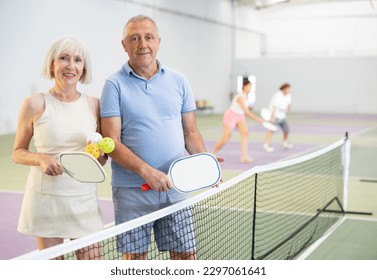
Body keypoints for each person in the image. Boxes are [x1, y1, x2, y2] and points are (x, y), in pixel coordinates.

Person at [100, 15, 221, 260]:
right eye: (134, 38)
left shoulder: (179, 81)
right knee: (135, 264)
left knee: (186, 258)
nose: (142, 43)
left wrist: (204, 163)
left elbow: (191, 132)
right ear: (124, 45)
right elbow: (111, 142)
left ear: (158, 42)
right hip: (131, 191)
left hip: (176, 188)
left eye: (148, 37)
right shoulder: (113, 85)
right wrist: (146, 172)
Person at [13, 36, 106, 260]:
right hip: (46, 201)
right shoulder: (35, 103)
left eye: (77, 60)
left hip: (83, 200)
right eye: (63, 58)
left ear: (84, 69)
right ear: (52, 64)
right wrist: (40, 159)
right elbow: (18, 152)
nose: (70, 66)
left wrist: (100, 155)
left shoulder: (94, 105)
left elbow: (100, 161)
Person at [212, 78, 263, 163]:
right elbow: (246, 112)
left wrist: (250, 107)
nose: (250, 88)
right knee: (226, 138)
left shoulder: (245, 96)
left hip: (240, 116)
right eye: (249, 86)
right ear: (244, 87)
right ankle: (213, 153)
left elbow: (244, 107)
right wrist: (258, 119)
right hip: (231, 115)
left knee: (245, 133)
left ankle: (244, 156)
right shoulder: (241, 97)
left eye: (251, 86)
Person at [263, 83, 294, 152]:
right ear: (284, 89)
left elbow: (289, 104)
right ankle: (266, 145)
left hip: (282, 116)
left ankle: (285, 143)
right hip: (275, 116)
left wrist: (289, 108)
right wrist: (272, 117)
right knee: (271, 130)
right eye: (288, 89)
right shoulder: (277, 96)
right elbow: (274, 107)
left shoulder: (288, 96)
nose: (289, 90)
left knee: (286, 130)